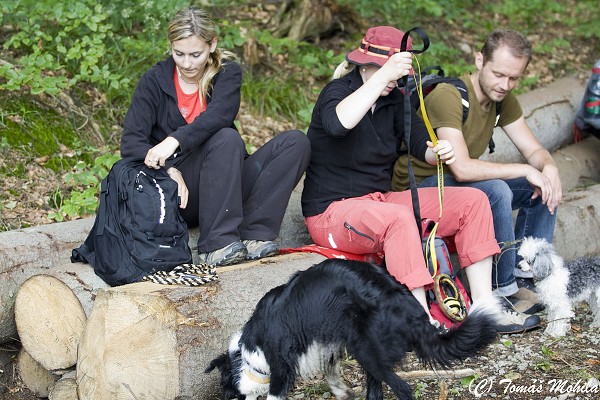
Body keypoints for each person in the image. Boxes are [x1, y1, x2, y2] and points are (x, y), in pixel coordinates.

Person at [301, 26, 541, 334]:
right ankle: (421, 322)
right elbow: (338, 124)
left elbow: (418, 146)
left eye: (395, 74)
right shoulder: (337, 92)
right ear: (364, 64)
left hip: (379, 202)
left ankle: (484, 308)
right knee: (399, 218)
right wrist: (383, 77)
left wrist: (436, 153)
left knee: (474, 200)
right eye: (385, 71)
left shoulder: (394, 100)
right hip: (331, 212)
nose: (392, 81)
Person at [120, 7, 310, 266]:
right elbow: (131, 143)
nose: (187, 64)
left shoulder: (226, 72)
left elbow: (220, 115)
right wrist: (169, 170)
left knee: (296, 142)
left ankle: (255, 234)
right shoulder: (154, 81)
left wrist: (173, 140)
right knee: (227, 138)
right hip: (180, 195)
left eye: (196, 54)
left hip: (224, 185)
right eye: (179, 54)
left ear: (212, 45)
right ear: (171, 47)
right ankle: (215, 244)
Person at [392, 29, 562, 313]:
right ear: (480, 60)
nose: (505, 85)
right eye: (498, 74)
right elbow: (462, 168)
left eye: (514, 78)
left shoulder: (502, 100)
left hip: (451, 186)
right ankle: (502, 290)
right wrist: (524, 169)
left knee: (543, 184)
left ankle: (529, 275)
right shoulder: (450, 96)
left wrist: (550, 168)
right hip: (418, 189)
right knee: (497, 190)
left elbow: (534, 151)